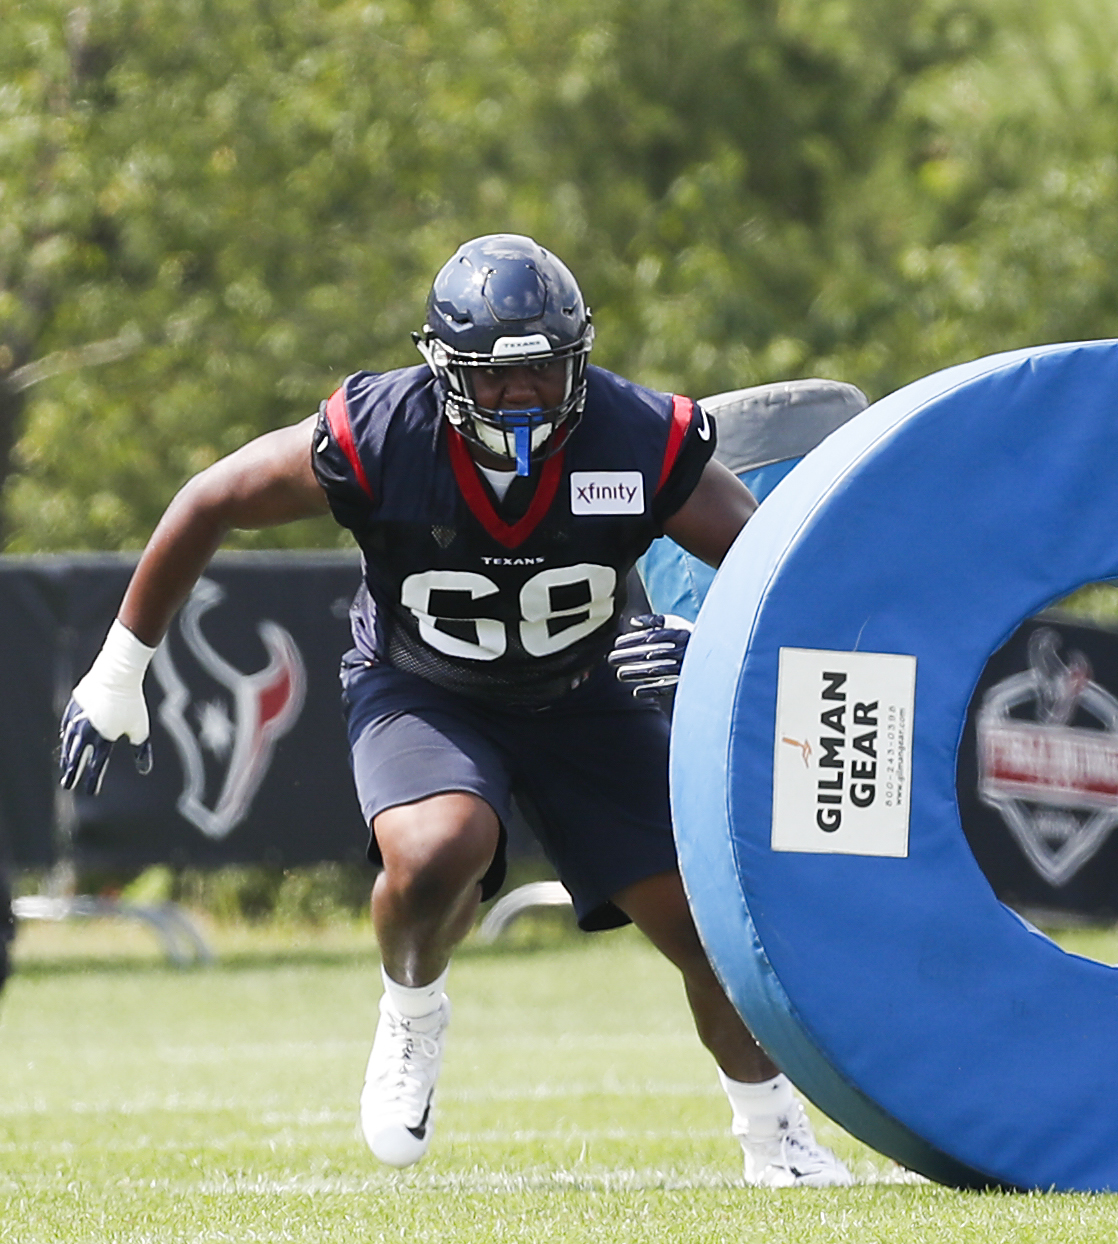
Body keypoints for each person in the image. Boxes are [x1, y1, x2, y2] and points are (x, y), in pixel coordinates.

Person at [55, 234, 853, 1186]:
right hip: (427, 686)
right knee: (439, 851)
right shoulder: (383, 435)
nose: (526, 398)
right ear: (446, 372)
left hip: (586, 692)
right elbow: (210, 499)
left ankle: (772, 1134)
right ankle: (412, 1010)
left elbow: (780, 573)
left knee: (706, 924)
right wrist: (118, 669)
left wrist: (704, 643)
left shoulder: (634, 437)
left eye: (545, 372)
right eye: (500, 377)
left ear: (579, 361)